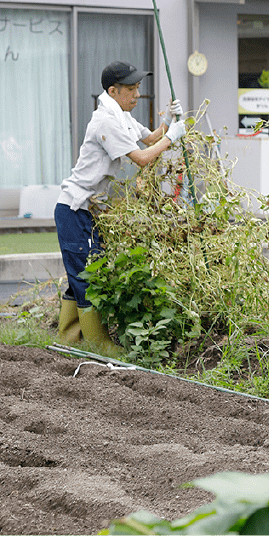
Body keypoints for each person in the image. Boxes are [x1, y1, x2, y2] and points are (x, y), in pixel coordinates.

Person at [55, 61, 187, 355]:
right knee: (87, 274)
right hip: (73, 209)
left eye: (138, 87)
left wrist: (167, 120)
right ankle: (97, 343)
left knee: (86, 269)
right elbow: (141, 158)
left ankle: (69, 339)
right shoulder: (106, 122)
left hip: (86, 210)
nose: (137, 94)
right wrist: (172, 137)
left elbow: (149, 138)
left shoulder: (122, 115)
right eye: (131, 89)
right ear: (113, 91)